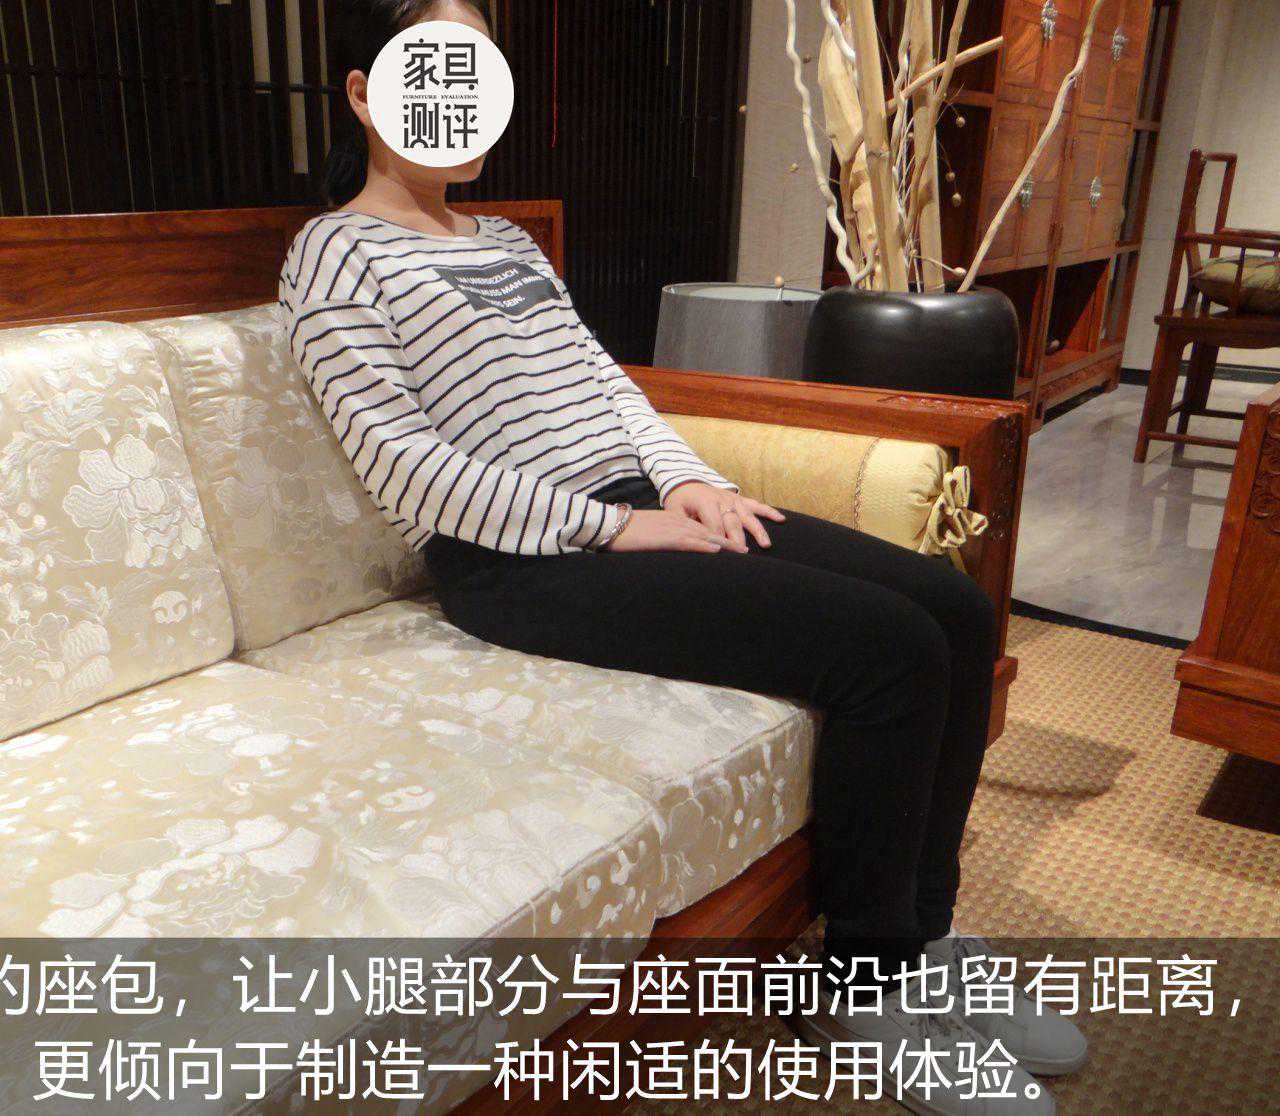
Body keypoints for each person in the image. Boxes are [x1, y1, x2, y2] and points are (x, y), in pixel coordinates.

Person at [277, 2, 1087, 1110]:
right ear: (367, 94)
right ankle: (861, 984)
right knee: (888, 650)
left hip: (630, 510)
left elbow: (606, 386)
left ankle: (923, 940)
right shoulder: (333, 255)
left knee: (953, 608)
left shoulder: (506, 240)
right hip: (518, 560)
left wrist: (685, 482)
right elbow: (402, 468)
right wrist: (613, 526)